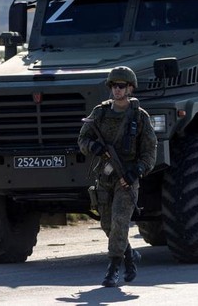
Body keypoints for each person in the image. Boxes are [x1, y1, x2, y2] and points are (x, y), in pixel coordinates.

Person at [78, 66, 157, 287]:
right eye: (114, 86)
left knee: (120, 222)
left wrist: (136, 172)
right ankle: (130, 257)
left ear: (130, 88)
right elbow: (83, 139)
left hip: (127, 179)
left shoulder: (140, 117)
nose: (117, 90)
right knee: (107, 225)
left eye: (121, 86)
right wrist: (93, 147)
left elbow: (150, 152)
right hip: (104, 177)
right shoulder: (100, 113)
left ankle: (113, 269)